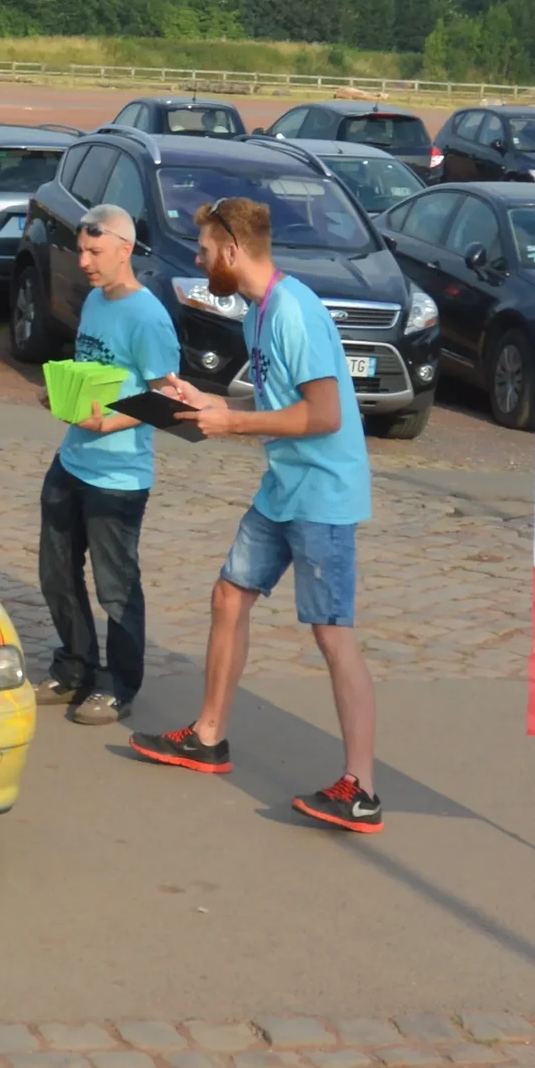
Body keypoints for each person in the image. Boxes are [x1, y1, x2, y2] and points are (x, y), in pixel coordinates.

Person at [129, 197, 383, 834]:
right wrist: (204, 400)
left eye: (206, 248)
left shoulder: (293, 311)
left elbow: (323, 415)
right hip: (284, 485)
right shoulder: (258, 312)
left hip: (322, 492)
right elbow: (277, 399)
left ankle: (362, 789)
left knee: (333, 635)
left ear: (233, 251)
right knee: (228, 595)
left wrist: (232, 423)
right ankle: (208, 736)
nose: (198, 257)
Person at [39, 204, 180, 728]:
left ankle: (118, 686)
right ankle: (73, 667)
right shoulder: (96, 301)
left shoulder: (148, 317)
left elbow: (170, 399)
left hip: (119, 477)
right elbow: (92, 370)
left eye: (94, 251)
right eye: (81, 250)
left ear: (125, 248)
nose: (84, 261)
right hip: (72, 460)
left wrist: (113, 423)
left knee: (115, 585)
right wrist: (61, 396)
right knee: (55, 573)